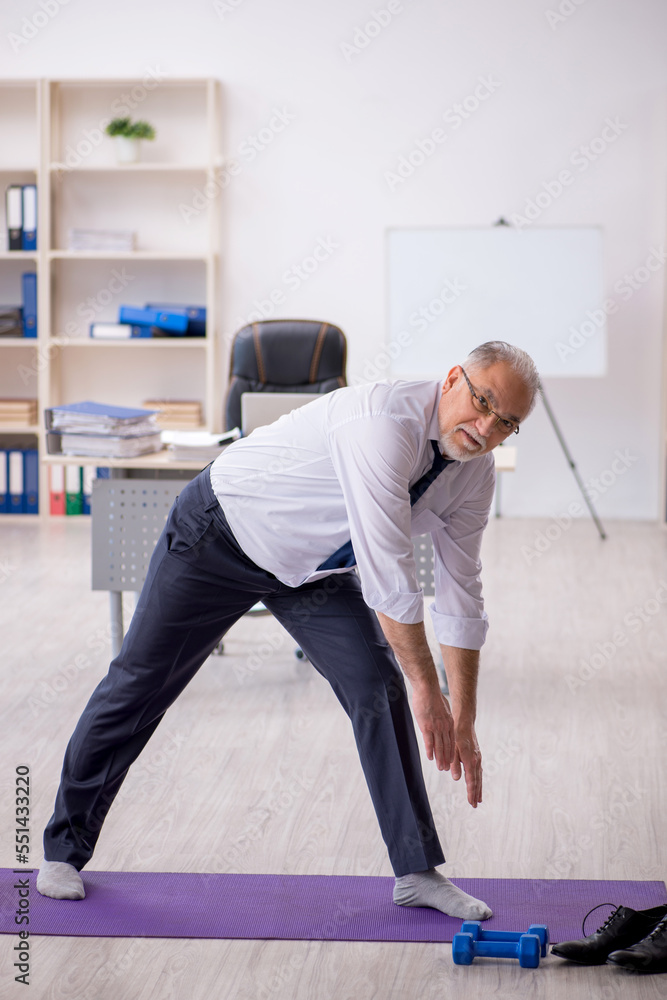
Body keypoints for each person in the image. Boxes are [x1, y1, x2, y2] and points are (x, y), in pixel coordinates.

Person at [37, 340, 539, 918]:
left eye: (506, 423)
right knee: (140, 683)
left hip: (310, 569)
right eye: (482, 403)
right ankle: (62, 851)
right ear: (453, 378)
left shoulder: (474, 477)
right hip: (221, 533)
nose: (485, 427)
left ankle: (416, 873)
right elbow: (388, 573)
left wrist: (464, 712)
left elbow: (462, 591)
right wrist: (430, 689)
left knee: (378, 688)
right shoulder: (383, 423)